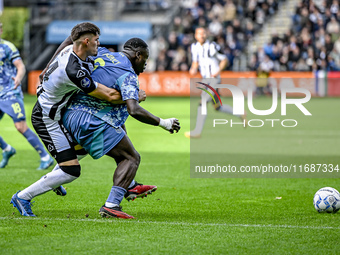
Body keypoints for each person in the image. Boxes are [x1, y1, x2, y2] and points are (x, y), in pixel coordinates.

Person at [11, 37, 180, 219]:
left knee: (83, 155)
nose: (145, 66)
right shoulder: (128, 74)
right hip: (89, 120)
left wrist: (47, 67)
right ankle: (112, 205)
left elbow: (70, 41)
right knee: (131, 157)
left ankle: (128, 185)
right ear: (137, 55)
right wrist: (164, 123)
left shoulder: (104, 53)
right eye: (145, 60)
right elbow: (134, 109)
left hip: (69, 114)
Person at [9, 22, 126, 216]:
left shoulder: (70, 50)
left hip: (56, 112)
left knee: (82, 148)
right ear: (86, 42)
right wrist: (134, 96)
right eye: (96, 41)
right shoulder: (74, 71)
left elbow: (69, 38)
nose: (99, 44)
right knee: (71, 171)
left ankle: (55, 178)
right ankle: (23, 197)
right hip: (47, 119)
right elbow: (109, 95)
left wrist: (46, 67)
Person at [0, 22, 54, 170]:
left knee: (20, 126)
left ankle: (45, 157)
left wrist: (18, 77)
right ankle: (7, 149)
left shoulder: (7, 47)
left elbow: (20, 66)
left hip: (10, 92)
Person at [185, 27, 246, 138]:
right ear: (195, 36)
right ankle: (240, 113)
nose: (202, 36)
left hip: (214, 79)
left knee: (202, 103)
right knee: (217, 106)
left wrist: (217, 72)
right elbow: (195, 62)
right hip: (205, 80)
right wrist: (193, 69)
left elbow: (224, 59)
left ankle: (197, 131)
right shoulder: (194, 47)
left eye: (203, 33)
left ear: (206, 35)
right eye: (199, 34)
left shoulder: (212, 46)